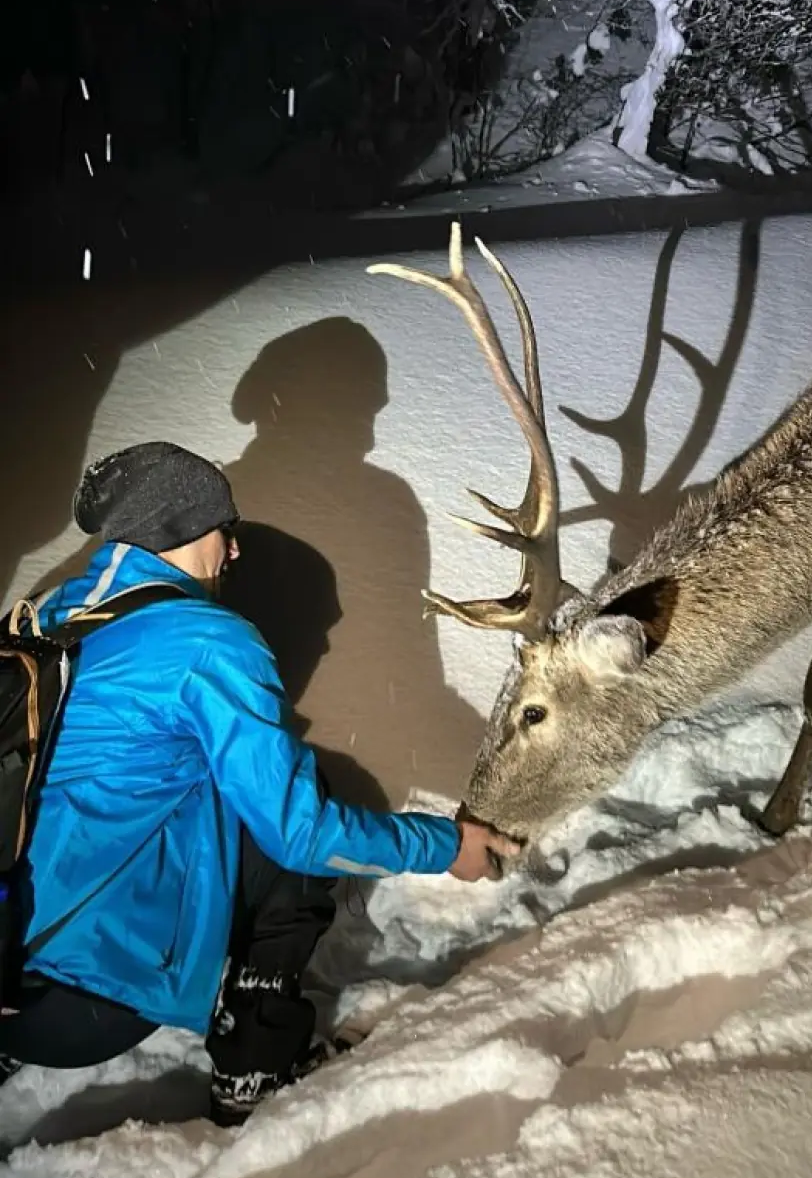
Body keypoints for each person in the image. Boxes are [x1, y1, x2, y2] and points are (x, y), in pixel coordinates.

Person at [0, 442, 517, 1125]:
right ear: (180, 529)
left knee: (202, 786)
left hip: (14, 978)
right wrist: (448, 845)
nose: (234, 551)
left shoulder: (49, 615)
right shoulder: (209, 641)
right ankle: (256, 1068)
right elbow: (302, 833)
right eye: (225, 529)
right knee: (296, 820)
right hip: (92, 1007)